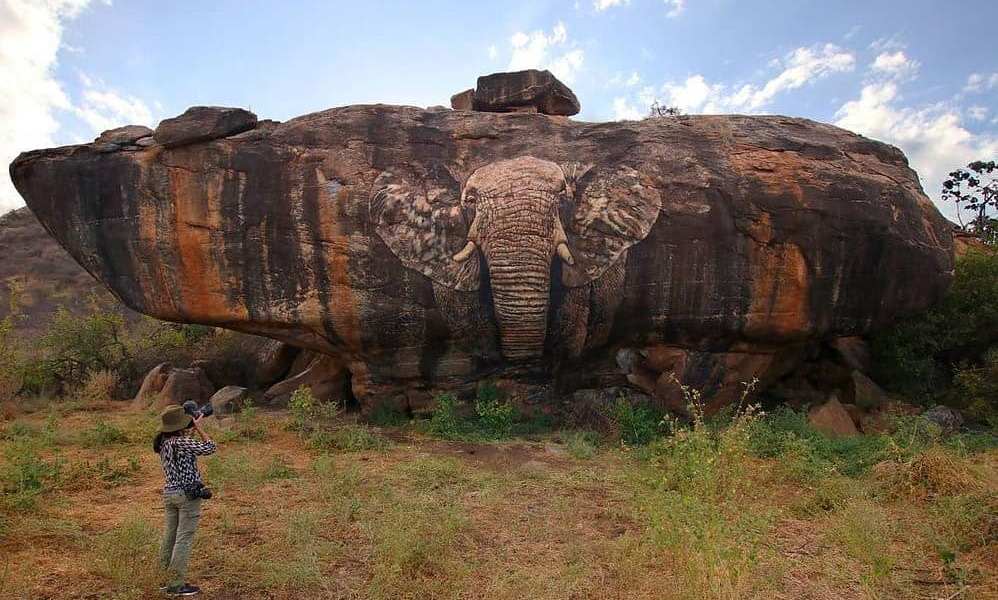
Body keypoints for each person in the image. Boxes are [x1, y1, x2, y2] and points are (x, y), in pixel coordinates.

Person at [153, 404, 216, 597]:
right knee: (183, 540)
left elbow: (187, 449)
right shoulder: (181, 442)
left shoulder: (164, 443)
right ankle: (176, 585)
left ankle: (163, 581)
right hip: (187, 495)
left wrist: (191, 428)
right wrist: (199, 427)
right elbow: (210, 447)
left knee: (169, 538)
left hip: (170, 494)